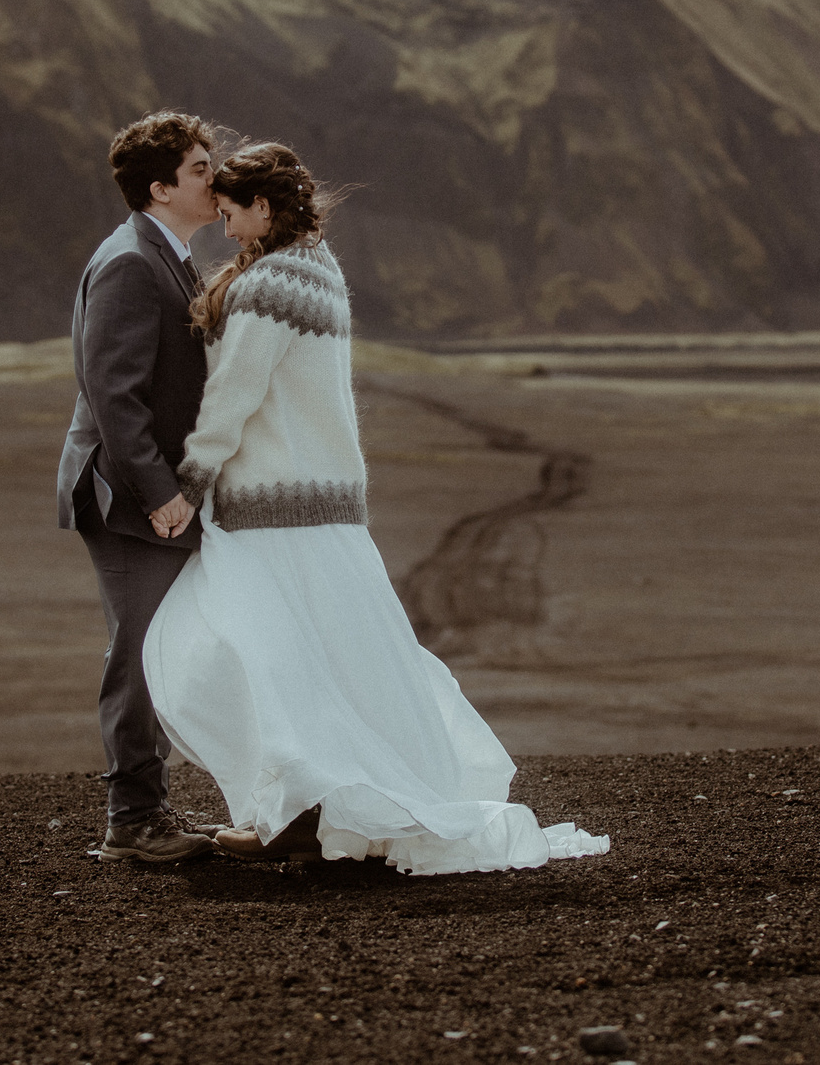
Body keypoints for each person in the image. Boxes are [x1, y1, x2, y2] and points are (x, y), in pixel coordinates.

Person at [143, 142, 610, 875]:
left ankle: (296, 810)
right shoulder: (322, 268)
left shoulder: (268, 285)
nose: (227, 231)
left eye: (233, 215)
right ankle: (307, 814)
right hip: (327, 509)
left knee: (201, 648)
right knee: (331, 660)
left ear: (264, 207)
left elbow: (236, 394)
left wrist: (192, 482)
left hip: (269, 507)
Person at [56, 111, 223, 863]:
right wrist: (161, 494)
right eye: (198, 168)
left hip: (145, 492)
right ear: (159, 187)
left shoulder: (168, 252)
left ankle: (147, 807)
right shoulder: (130, 262)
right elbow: (114, 394)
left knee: (159, 645)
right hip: (126, 497)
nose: (214, 177)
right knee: (141, 648)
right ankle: (133, 819)